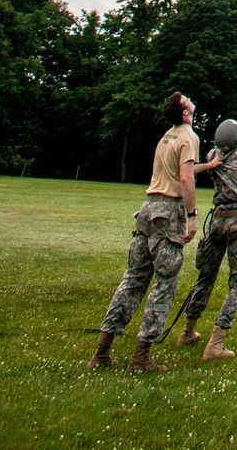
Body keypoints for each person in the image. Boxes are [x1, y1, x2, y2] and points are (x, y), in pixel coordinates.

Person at [87, 91, 200, 373]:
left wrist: (209, 166)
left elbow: (177, 172)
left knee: (132, 281)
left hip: (147, 211)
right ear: (185, 112)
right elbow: (184, 178)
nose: (190, 100)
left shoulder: (167, 135)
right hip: (168, 214)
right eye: (187, 100)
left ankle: (101, 354)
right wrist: (192, 216)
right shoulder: (189, 137)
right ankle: (140, 359)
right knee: (163, 285)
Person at [176, 79, 237, 361]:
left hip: (216, 221)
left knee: (205, 277)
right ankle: (215, 342)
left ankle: (188, 330)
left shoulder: (214, 155)